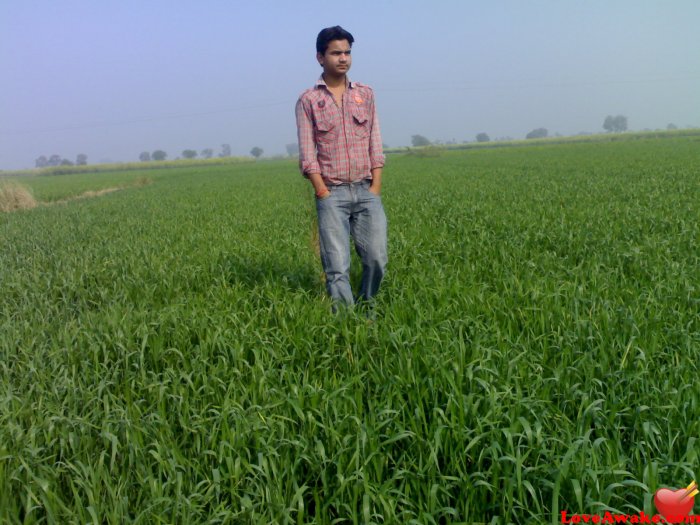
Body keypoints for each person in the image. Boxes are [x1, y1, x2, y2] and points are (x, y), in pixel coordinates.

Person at [295, 25, 388, 311]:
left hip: (366, 190)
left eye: (347, 52)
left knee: (376, 258)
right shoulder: (309, 101)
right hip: (332, 194)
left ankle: (367, 305)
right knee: (336, 265)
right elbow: (307, 151)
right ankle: (346, 323)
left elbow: (375, 140)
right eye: (336, 53)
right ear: (320, 57)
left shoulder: (365, 94)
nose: (343, 58)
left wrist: (376, 186)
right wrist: (321, 190)